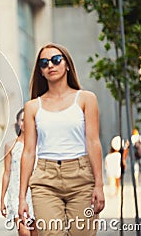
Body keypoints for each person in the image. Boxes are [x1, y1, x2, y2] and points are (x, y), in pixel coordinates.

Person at [18, 43, 105, 235]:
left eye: (56, 60)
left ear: (67, 65)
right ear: (40, 71)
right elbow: (29, 152)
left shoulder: (86, 99)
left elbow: (93, 142)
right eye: (44, 63)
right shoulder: (32, 106)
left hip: (81, 177)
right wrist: (22, 197)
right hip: (44, 180)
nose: (50, 65)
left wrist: (99, 184)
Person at [0, 109, 37, 236]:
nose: (25, 123)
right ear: (18, 123)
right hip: (16, 194)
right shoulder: (10, 145)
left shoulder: (39, 145)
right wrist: (2, 199)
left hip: (36, 194)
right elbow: (6, 172)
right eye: (22, 120)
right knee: (24, 233)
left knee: (36, 232)